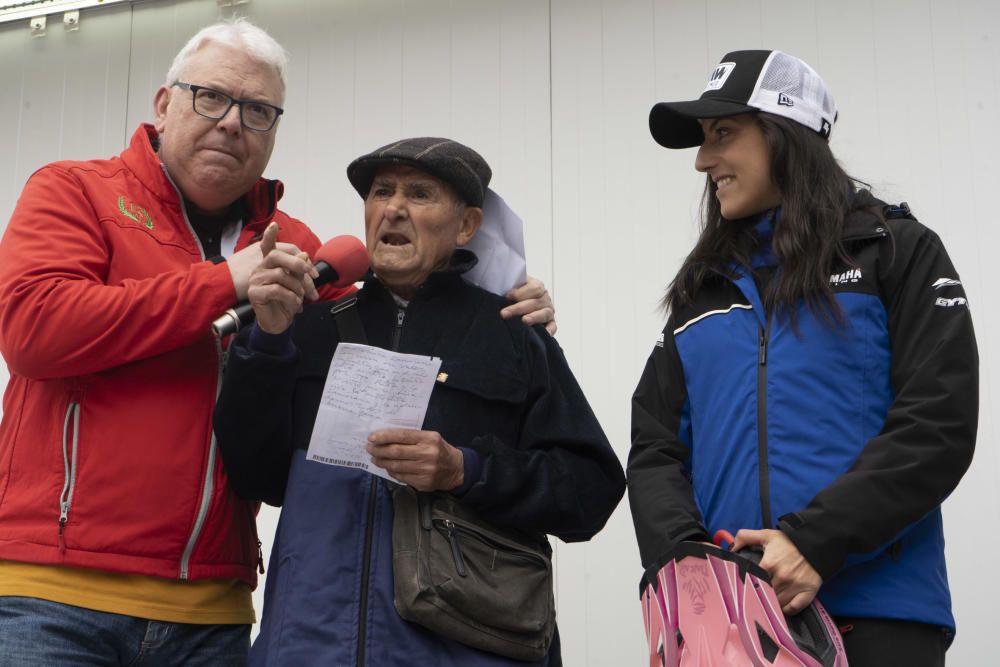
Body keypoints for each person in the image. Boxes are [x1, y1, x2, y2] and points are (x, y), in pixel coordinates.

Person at [0, 19, 554, 666]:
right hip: (54, 593)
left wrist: (508, 295)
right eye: (211, 96)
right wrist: (224, 282)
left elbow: (401, 311)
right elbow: (35, 329)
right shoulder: (75, 191)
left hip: (213, 610)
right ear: (162, 103)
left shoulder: (299, 246)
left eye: (259, 111)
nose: (233, 122)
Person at [212, 136, 626, 666]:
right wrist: (267, 341)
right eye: (381, 192)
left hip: (466, 649)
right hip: (311, 646)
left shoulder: (515, 334)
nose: (394, 208)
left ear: (467, 225)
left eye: (421, 193)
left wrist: (465, 470)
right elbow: (254, 477)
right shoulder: (306, 328)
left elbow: (590, 491)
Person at [627, 50, 977, 666]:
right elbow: (656, 446)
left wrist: (814, 542)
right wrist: (690, 564)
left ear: (785, 135)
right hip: (731, 626)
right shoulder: (702, 290)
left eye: (723, 135)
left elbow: (938, 424)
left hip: (877, 615)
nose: (703, 161)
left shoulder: (897, 252)